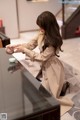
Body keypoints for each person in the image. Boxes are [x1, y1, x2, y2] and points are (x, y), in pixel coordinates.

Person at [5, 11, 73, 115]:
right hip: (45, 66)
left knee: (51, 99)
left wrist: (24, 50)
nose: (40, 29)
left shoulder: (53, 41)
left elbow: (42, 57)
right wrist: (15, 47)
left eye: (42, 26)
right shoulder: (42, 33)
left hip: (53, 67)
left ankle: (62, 85)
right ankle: (61, 85)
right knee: (41, 92)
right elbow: (31, 44)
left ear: (48, 26)